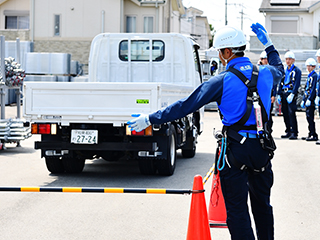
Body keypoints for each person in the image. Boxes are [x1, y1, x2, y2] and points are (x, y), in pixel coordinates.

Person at [127, 23, 284, 240]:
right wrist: (268, 44)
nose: (220, 56)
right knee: (262, 205)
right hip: (261, 149)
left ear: (228, 52)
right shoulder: (266, 74)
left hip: (235, 151)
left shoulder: (221, 81)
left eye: (220, 51)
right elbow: (280, 69)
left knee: (237, 210)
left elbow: (186, 105)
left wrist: (150, 118)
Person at [277, 51, 301, 140]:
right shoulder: (284, 70)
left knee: (291, 113)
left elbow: (297, 83)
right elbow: (280, 82)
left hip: (291, 93)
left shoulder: (297, 70)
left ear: (293, 60)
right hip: (284, 92)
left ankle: (294, 132)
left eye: (290, 59)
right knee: (285, 113)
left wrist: (293, 94)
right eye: (286, 59)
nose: (288, 61)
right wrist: (279, 93)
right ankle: (288, 130)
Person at [258, 51, 277, 134]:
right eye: (263, 59)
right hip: (259, 95)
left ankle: (269, 129)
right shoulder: (257, 69)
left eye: (266, 58)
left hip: (269, 95)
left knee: (268, 113)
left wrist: (274, 95)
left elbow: (275, 83)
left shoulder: (271, 69)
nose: (265, 60)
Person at [300, 58, 318, 141]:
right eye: (307, 66)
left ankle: (313, 134)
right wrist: (304, 99)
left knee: (310, 117)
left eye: (310, 66)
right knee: (308, 117)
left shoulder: (314, 76)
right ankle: (310, 133)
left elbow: (313, 88)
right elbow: (306, 88)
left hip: (311, 99)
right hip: (307, 98)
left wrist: (310, 99)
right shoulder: (309, 75)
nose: (308, 68)